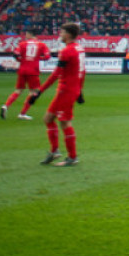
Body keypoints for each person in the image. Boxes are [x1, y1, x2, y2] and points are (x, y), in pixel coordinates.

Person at [30, 23, 86, 166]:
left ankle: (72, 157)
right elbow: (82, 71)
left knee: (64, 122)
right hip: (71, 89)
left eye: (61, 32)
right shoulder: (79, 49)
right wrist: (80, 90)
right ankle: (55, 151)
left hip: (66, 90)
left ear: (68, 34)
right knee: (48, 118)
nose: (60, 34)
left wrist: (39, 92)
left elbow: (56, 74)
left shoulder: (67, 51)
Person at [3, 29, 49, 120]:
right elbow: (47, 56)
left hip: (22, 69)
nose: (25, 36)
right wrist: (37, 58)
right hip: (33, 71)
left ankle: (6, 106)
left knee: (18, 90)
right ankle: (22, 114)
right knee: (33, 92)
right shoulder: (41, 44)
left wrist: (21, 60)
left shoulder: (22, 44)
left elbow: (15, 54)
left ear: (29, 34)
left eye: (26, 34)